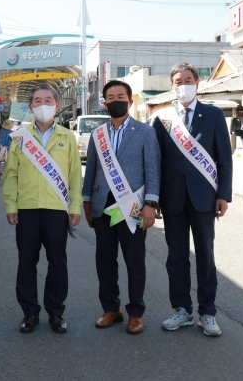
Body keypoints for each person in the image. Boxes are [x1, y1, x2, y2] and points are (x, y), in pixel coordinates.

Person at [151, 63, 232, 337]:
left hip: (204, 197)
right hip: (172, 198)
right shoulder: (162, 119)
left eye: (187, 79)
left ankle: (207, 313)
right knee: (176, 256)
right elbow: (156, 161)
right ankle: (181, 310)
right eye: (177, 81)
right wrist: (154, 198)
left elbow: (224, 159)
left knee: (206, 256)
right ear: (171, 86)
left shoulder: (213, 114)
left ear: (197, 82)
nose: (182, 84)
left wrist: (223, 194)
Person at [2, 83, 83, 334]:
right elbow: (11, 174)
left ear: (57, 106)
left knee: (57, 263)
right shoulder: (20, 137)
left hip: (56, 209)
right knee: (26, 262)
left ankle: (56, 312)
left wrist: (76, 206)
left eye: (48, 100)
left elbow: (74, 176)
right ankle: (29, 312)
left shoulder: (67, 137)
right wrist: (11, 204)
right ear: (30, 107)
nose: (43, 105)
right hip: (26, 209)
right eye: (37, 101)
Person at [82, 80, 161, 335]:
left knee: (134, 262)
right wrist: (86, 201)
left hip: (134, 207)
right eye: (110, 97)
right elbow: (91, 170)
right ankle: (111, 309)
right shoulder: (98, 134)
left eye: (120, 96)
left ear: (130, 101)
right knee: (105, 261)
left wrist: (151, 204)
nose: (115, 100)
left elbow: (153, 170)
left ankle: (135, 313)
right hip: (103, 205)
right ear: (104, 102)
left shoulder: (145, 131)